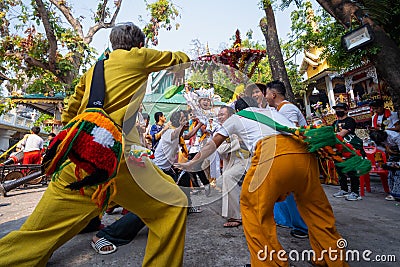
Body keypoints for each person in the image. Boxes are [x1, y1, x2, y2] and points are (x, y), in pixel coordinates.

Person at [0, 22, 190, 266]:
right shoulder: (139, 56)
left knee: (35, 235)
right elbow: (179, 58)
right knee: (173, 204)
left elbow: (70, 111)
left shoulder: (93, 70)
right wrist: (180, 68)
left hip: (78, 159)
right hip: (113, 162)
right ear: (140, 45)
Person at [176, 97, 348, 267]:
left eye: (223, 113)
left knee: (252, 209)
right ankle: (331, 259)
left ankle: (270, 263)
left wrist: (191, 162)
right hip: (304, 154)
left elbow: (212, 146)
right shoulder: (271, 111)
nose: (221, 116)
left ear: (235, 110)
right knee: (317, 210)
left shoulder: (237, 117)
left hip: (272, 154)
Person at [264, 80, 308, 238]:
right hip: (288, 154)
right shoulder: (279, 109)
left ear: (273, 94)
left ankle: (302, 227)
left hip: (295, 155)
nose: (265, 96)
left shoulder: (287, 109)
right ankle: (292, 221)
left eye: (267, 93)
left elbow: (292, 132)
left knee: (294, 193)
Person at [216, 106, 250, 227]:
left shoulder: (240, 127)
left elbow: (248, 143)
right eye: (218, 114)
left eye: (222, 114)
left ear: (230, 116)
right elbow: (220, 149)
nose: (219, 117)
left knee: (228, 177)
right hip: (232, 162)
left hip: (247, 161)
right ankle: (237, 212)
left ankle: (237, 216)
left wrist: (235, 143)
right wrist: (236, 143)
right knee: (222, 181)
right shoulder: (220, 130)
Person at [332, 102, 362, 201]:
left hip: (350, 148)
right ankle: (344, 189)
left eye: (340, 109)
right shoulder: (334, 123)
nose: (338, 111)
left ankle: (355, 192)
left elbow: (341, 134)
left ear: (346, 110)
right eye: (336, 109)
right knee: (340, 169)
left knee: (352, 170)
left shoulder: (350, 121)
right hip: (339, 149)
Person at [369, 130, 400, 201]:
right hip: (392, 153)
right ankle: (392, 192)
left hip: (398, 151)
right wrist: (387, 150)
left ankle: (397, 194)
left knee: (398, 173)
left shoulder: (395, 136)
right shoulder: (376, 139)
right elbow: (379, 147)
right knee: (390, 173)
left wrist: (397, 164)